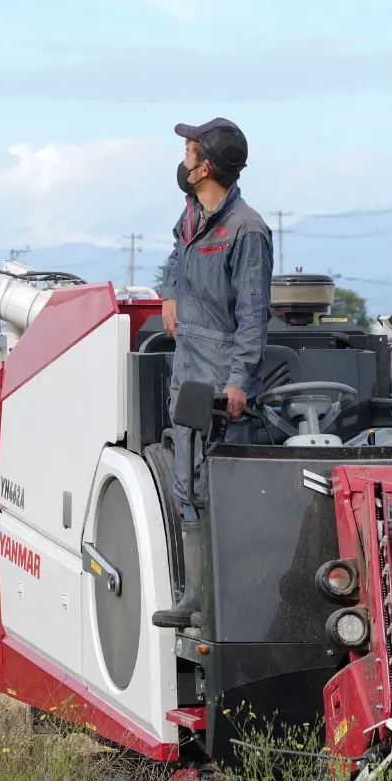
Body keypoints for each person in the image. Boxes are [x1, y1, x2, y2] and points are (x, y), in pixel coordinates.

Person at [150, 117, 273, 630]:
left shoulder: (247, 230)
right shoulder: (192, 213)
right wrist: (169, 293)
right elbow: (174, 260)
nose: (182, 156)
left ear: (207, 167)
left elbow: (253, 316)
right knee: (185, 482)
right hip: (188, 366)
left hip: (222, 369)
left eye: (189, 149)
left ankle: (230, 601)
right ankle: (195, 595)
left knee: (213, 486)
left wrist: (239, 381)